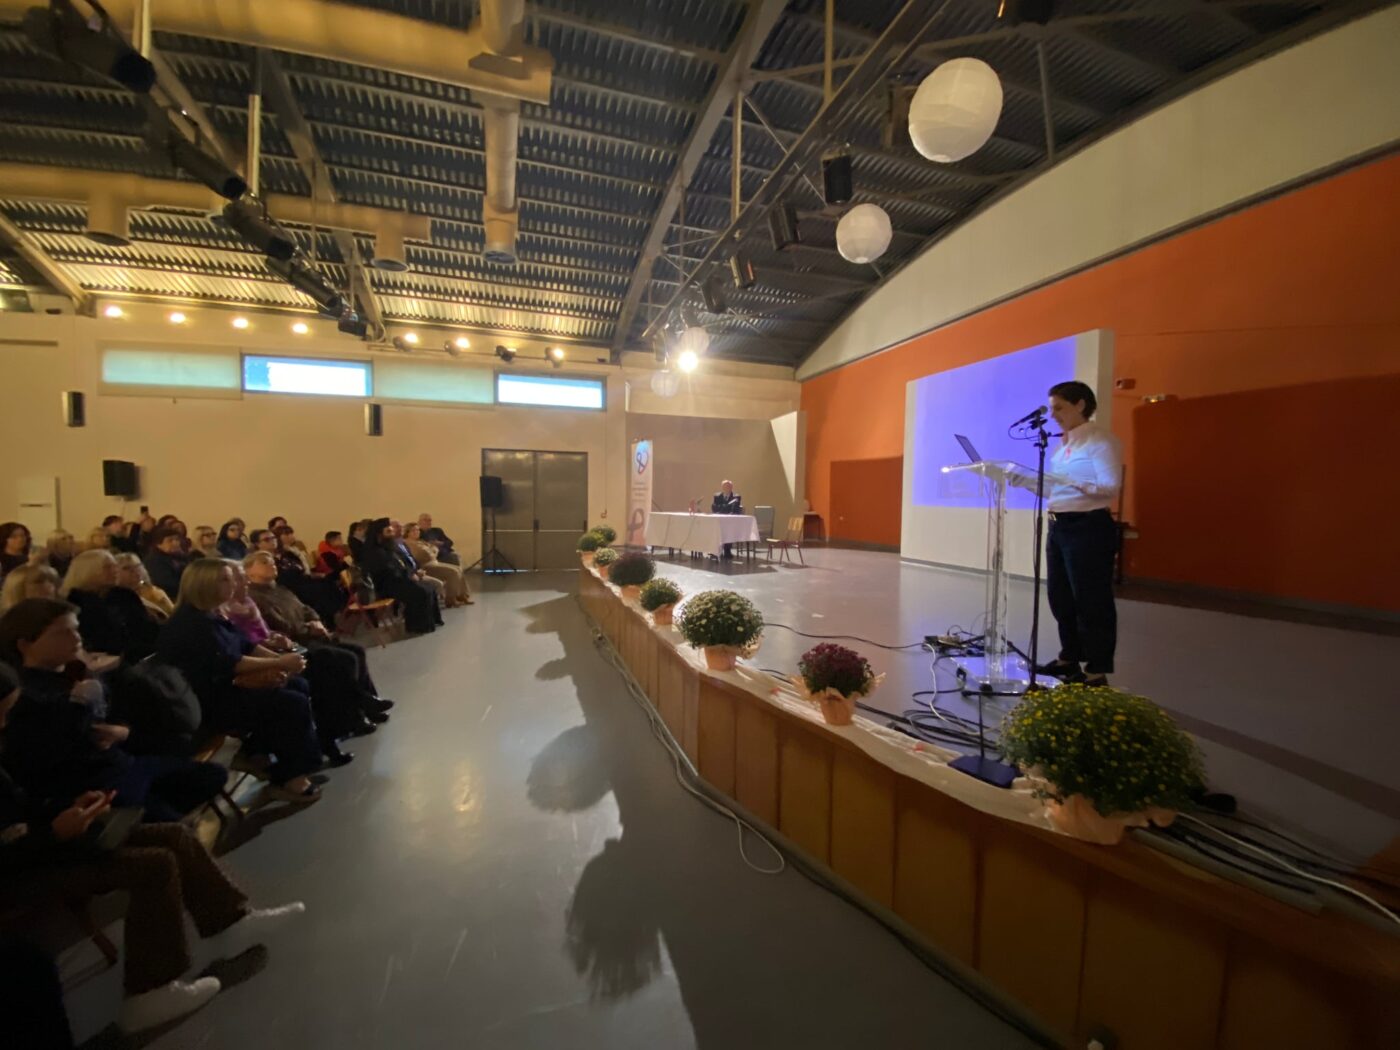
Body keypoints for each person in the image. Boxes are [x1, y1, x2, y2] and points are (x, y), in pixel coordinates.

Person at [0, 662, 306, 1035]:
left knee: (174, 836)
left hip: (42, 841)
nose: (4, 723)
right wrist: (52, 832)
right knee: (154, 865)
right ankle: (149, 992)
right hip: (23, 866)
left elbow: (22, 803)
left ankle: (230, 922)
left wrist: (65, 809)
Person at [0, 599, 225, 821]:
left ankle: (156, 814)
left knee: (212, 774)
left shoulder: (75, 673)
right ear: (25, 645)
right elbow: (48, 758)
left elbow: (112, 713)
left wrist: (121, 730)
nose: (76, 638)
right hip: (94, 783)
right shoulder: (24, 695)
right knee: (170, 822)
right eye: (62, 633)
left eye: (75, 629)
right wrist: (78, 708)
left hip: (122, 763)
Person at [155, 559, 322, 802]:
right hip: (208, 701)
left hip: (230, 686)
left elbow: (247, 645)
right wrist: (279, 663)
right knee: (290, 704)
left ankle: (260, 752)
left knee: (298, 685)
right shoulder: (190, 623)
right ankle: (291, 778)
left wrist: (281, 661)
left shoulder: (213, 613)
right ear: (204, 585)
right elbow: (231, 662)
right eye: (225, 579)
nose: (233, 583)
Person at [222, 560, 360, 765]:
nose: (245, 582)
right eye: (239, 578)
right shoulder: (226, 612)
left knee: (338, 662)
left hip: (278, 651)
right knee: (322, 673)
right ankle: (317, 750)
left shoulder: (251, 600)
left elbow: (261, 635)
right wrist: (278, 658)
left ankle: (339, 729)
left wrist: (276, 640)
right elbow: (236, 655)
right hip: (246, 679)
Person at [1036, 380, 1123, 688]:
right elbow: (1055, 489)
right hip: (1059, 526)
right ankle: (1069, 658)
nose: (1053, 415)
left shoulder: (1101, 441)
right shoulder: (1063, 446)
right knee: (1060, 598)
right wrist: (1026, 481)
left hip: (1088, 527)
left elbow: (1110, 487)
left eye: (1059, 408)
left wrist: (1071, 481)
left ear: (1080, 405)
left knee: (1091, 600)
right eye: (1052, 409)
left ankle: (1096, 669)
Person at [62, 549, 160, 662]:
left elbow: (147, 629)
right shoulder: (75, 603)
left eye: (115, 566)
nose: (115, 570)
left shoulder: (124, 595)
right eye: (107, 567)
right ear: (88, 572)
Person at [359, 518, 441, 634]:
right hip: (385, 585)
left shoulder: (389, 546)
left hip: (399, 580)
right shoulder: (374, 551)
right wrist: (409, 576)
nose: (392, 534)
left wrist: (412, 573)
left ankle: (431, 621)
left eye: (391, 531)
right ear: (379, 534)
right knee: (420, 592)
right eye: (388, 531)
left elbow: (403, 564)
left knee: (429, 587)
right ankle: (417, 626)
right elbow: (389, 570)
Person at [403, 522, 472, 606]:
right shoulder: (408, 543)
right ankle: (450, 599)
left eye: (417, 530)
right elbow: (423, 554)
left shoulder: (420, 541)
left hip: (434, 562)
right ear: (407, 532)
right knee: (453, 572)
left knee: (458, 569)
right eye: (413, 530)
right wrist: (432, 551)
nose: (416, 532)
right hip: (426, 566)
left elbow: (434, 548)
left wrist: (432, 551)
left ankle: (462, 595)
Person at [113, 552, 174, 621]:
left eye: (138, 566)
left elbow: (173, 614)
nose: (134, 570)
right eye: (126, 568)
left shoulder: (155, 593)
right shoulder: (116, 600)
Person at [143, 526, 189, 599]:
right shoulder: (154, 560)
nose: (175, 543)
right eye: (170, 540)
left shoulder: (180, 557)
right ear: (159, 544)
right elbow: (165, 582)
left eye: (177, 539)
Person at [710, 481, 743, 559]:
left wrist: (722, 508)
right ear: (722, 487)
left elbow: (735, 509)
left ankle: (727, 551)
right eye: (725, 486)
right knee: (715, 530)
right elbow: (714, 508)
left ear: (731, 487)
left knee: (728, 530)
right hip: (718, 520)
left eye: (728, 486)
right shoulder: (717, 496)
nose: (727, 488)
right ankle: (715, 551)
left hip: (730, 521)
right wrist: (724, 507)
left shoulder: (736, 497)